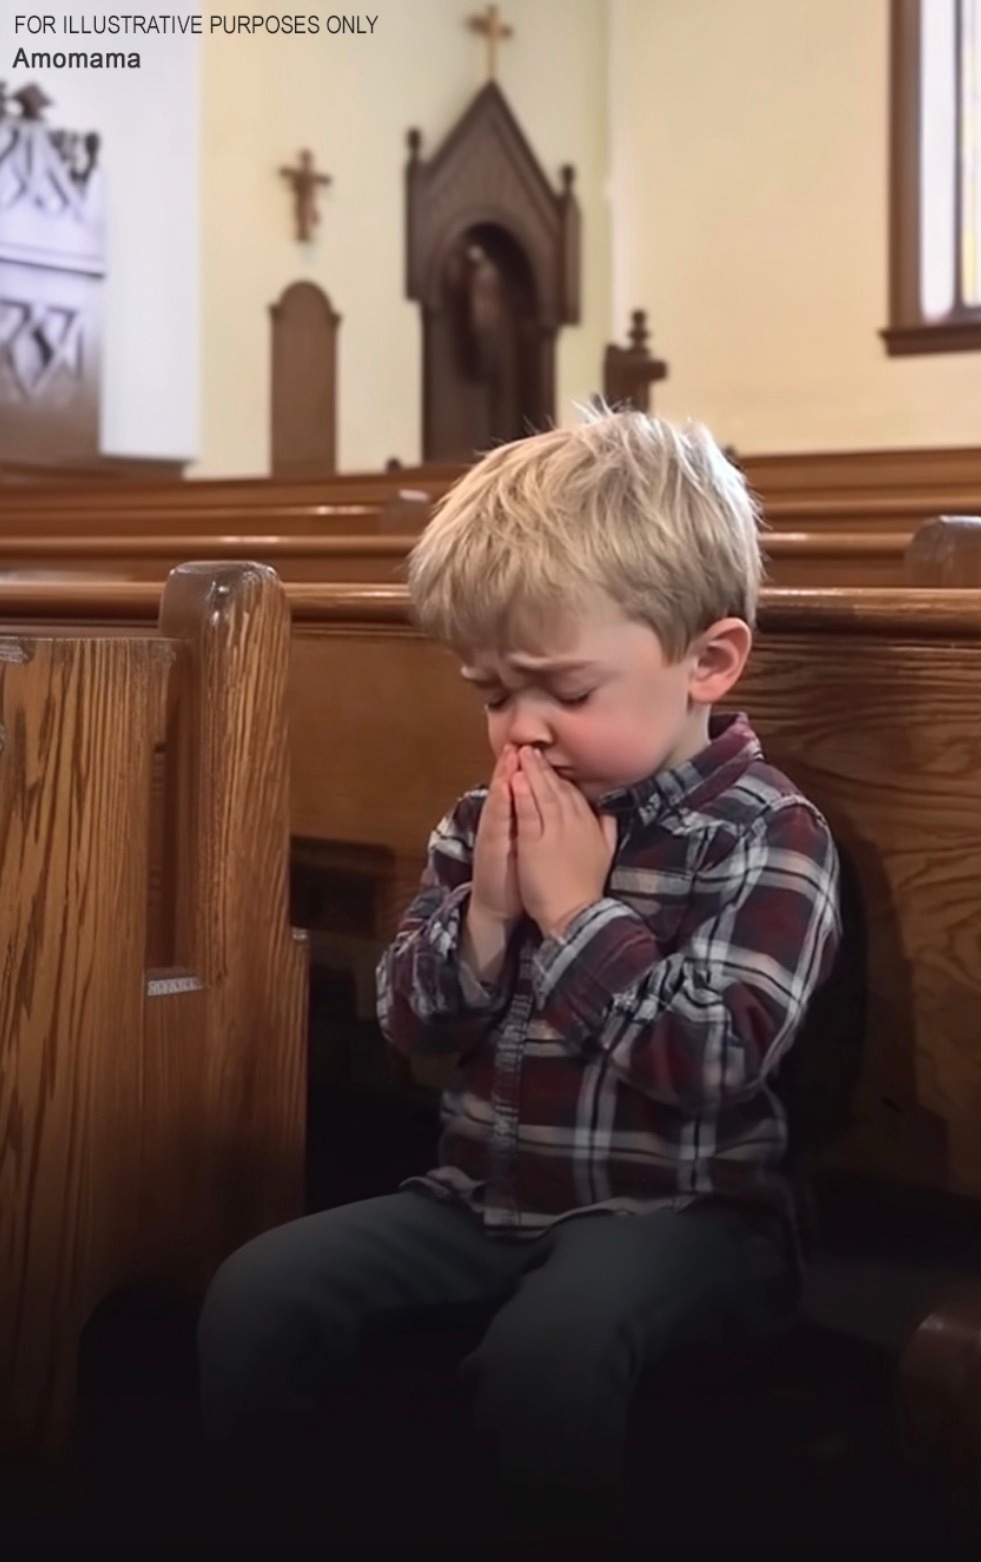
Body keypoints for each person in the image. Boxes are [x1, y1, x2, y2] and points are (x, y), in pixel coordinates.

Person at [195, 406, 842, 1555]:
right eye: (493, 693)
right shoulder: (484, 818)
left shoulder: (764, 834)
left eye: (562, 691)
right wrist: (489, 911)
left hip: (688, 1217)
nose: (519, 734)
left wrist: (573, 912)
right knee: (260, 1291)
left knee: (555, 1348)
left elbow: (712, 1059)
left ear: (708, 660)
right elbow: (412, 1024)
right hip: (483, 1196)